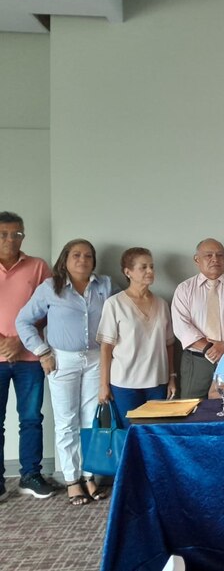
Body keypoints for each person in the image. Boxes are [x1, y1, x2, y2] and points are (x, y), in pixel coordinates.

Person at [16, 239, 111, 505]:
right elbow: (23, 321)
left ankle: (89, 476)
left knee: (91, 420)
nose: (83, 260)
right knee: (66, 422)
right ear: (65, 260)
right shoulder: (50, 288)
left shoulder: (104, 285)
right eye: (76, 255)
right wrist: (42, 351)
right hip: (62, 360)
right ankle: (72, 479)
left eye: (88, 255)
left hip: (96, 359)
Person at [0, 211, 55, 501]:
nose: (12, 239)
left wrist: (20, 340)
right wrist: (4, 342)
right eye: (4, 234)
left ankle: (31, 475)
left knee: (32, 418)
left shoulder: (37, 267)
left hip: (30, 357)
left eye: (17, 233)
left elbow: (49, 309)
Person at [97, 248, 176, 428]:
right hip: (125, 383)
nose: (150, 271)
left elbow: (169, 345)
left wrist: (172, 377)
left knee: (155, 434)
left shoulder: (162, 304)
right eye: (143, 267)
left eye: (152, 267)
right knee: (129, 434)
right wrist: (103, 385)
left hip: (157, 381)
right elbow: (106, 347)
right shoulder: (114, 304)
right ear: (128, 272)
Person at [171, 238, 224, 399]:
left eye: (220, 255)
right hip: (197, 360)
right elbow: (182, 326)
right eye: (209, 255)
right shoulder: (185, 289)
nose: (215, 259)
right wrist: (209, 348)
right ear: (197, 260)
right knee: (193, 406)